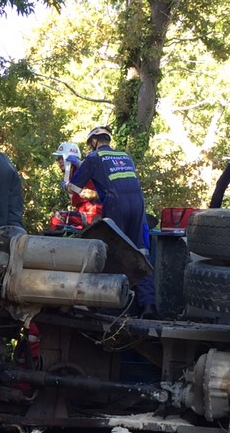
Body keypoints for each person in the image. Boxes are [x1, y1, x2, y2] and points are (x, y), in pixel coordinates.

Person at [66, 126, 155, 312]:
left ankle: (106, 305)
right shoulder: (125, 156)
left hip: (116, 205)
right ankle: (148, 305)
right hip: (138, 204)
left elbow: (74, 189)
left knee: (111, 251)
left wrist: (69, 179)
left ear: (93, 142)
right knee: (140, 251)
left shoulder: (93, 158)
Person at [53, 141, 102, 228]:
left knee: (59, 217)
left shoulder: (82, 171)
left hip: (93, 213)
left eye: (62, 158)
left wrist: (80, 164)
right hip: (82, 212)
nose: (60, 161)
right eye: (58, 158)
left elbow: (95, 170)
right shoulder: (69, 176)